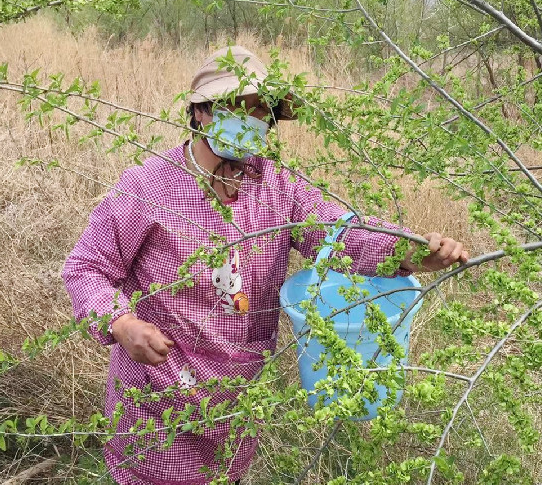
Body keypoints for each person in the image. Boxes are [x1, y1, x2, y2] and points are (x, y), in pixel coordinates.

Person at [62, 46, 468, 484]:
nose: (251, 118)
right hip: (157, 401)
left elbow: (337, 232)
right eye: (237, 105)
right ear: (200, 112)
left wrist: (406, 252)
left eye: (260, 109)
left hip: (237, 401)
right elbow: (86, 268)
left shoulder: (277, 185)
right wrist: (122, 324)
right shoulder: (148, 186)